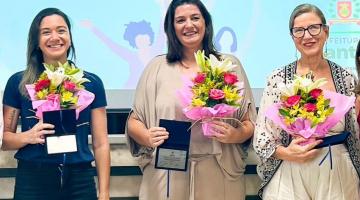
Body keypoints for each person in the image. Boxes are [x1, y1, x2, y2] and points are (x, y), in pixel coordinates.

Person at [125, 0, 256, 199]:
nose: (189, 25)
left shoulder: (228, 65)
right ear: (171, 27)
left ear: (206, 23)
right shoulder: (157, 67)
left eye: (195, 18)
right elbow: (134, 122)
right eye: (180, 20)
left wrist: (235, 135)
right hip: (168, 171)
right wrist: (147, 136)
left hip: (219, 169)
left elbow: (250, 123)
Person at [1, 8, 110, 200]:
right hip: (33, 179)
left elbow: (101, 144)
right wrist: (28, 136)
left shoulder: (91, 83)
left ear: (69, 37)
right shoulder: (17, 83)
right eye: (46, 32)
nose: (55, 37)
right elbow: (4, 140)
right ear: (36, 41)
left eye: (61, 30)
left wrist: (104, 193)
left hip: (80, 179)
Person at [254, 4, 360, 200]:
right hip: (290, 173)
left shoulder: (346, 78)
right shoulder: (277, 79)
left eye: (314, 27)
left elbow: (355, 135)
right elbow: (262, 138)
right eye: (299, 30)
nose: (307, 36)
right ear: (292, 37)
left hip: (337, 173)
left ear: (326, 31)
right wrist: (287, 153)